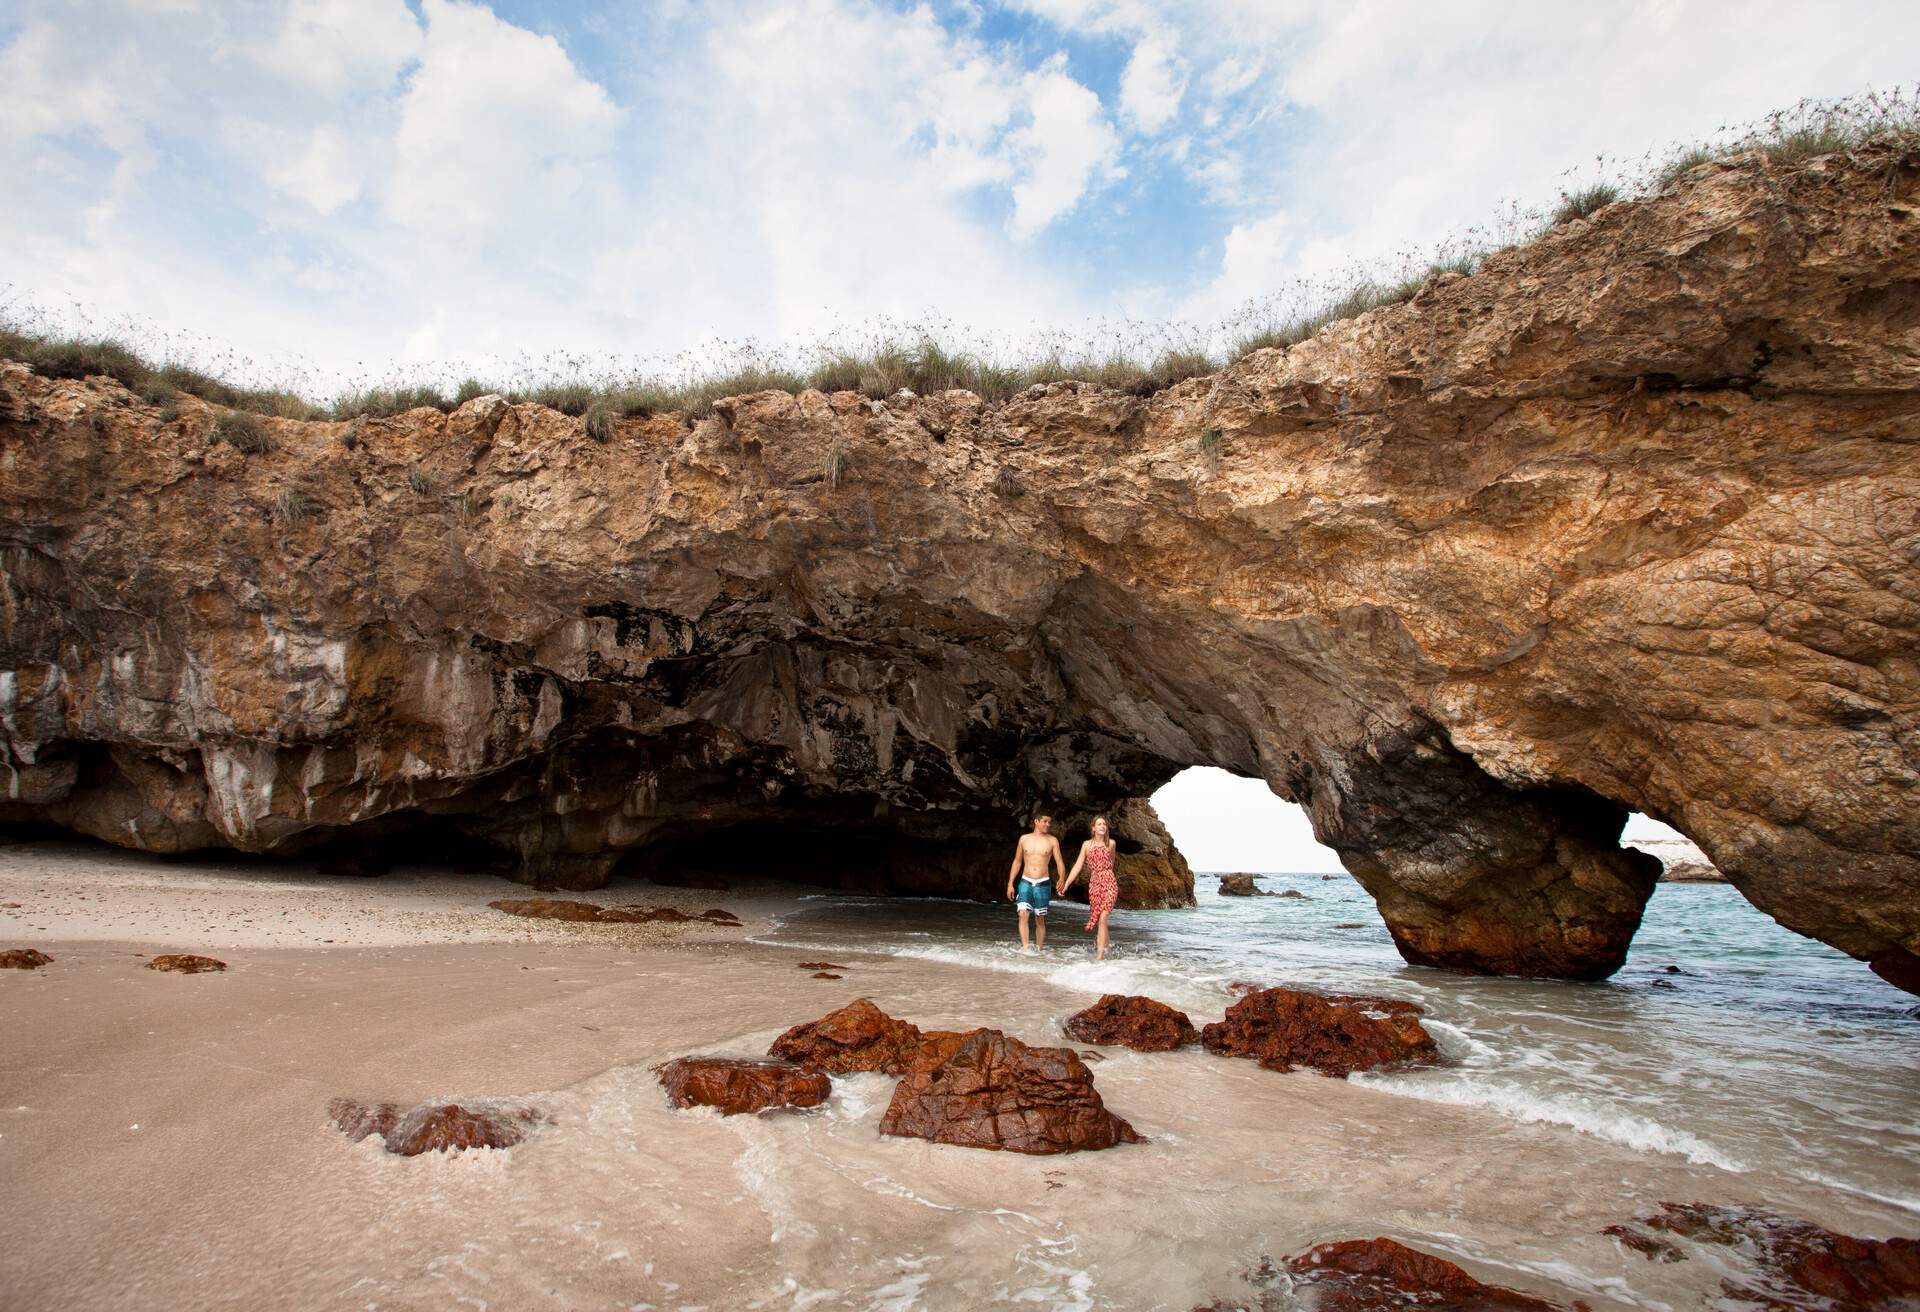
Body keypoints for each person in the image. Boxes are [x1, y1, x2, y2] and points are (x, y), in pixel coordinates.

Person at [1061, 815, 1119, 960]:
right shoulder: (1086, 845)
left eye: (1104, 824)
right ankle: (1108, 948)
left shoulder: (1111, 843)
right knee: (1100, 918)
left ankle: (1100, 956)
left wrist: (1105, 875)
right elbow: (1078, 865)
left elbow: (1111, 863)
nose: (1102, 826)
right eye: (1099, 824)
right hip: (1094, 884)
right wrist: (1067, 884)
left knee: (1103, 917)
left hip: (1109, 882)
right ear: (1093, 828)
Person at [1006, 814, 1065, 951]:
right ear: (1036, 821)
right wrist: (1010, 883)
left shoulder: (1052, 841)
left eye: (1049, 822)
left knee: (1039, 918)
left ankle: (1038, 950)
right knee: (1022, 914)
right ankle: (1026, 949)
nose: (1048, 824)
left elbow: (1059, 862)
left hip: (1043, 883)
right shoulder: (1024, 839)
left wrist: (1062, 878)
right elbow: (1017, 861)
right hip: (1025, 881)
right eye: (1045, 821)